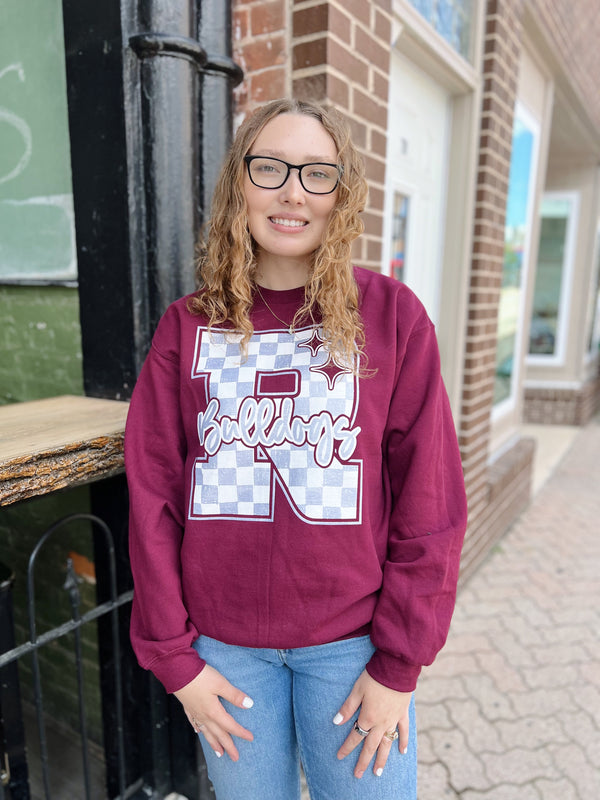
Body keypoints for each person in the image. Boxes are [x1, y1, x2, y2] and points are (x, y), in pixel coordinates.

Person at [125, 97, 467, 800]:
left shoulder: (392, 317)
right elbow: (154, 491)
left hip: (353, 652)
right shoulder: (186, 326)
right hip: (223, 652)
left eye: (317, 173)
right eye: (271, 167)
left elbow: (430, 504)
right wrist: (175, 660)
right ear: (238, 185)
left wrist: (398, 665)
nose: (291, 192)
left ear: (341, 193)